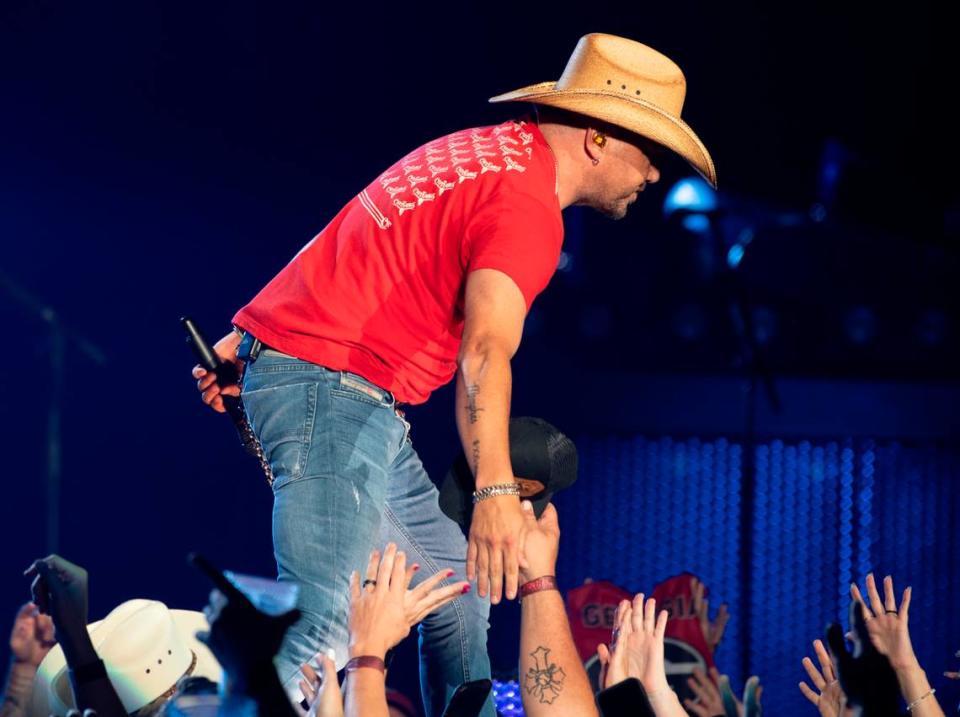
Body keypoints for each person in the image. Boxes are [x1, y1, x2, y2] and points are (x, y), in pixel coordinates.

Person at [191, 31, 717, 716]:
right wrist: (495, 488)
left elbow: (361, 223)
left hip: (345, 391)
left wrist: (253, 331)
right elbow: (485, 352)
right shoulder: (528, 208)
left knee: (455, 590)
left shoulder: (486, 150)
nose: (654, 176)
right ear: (597, 136)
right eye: (651, 153)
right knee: (317, 626)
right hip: (330, 387)